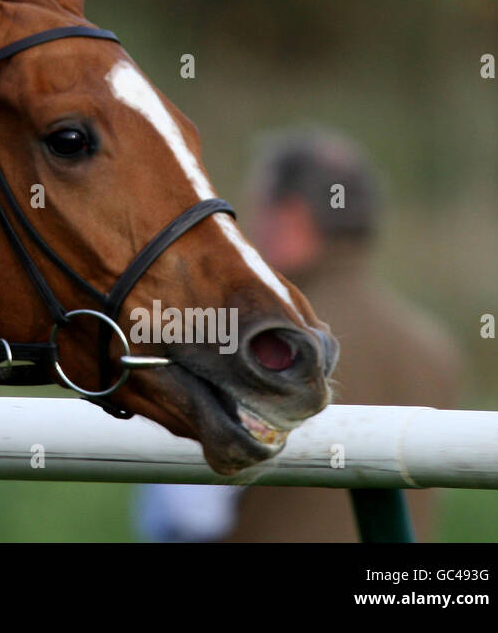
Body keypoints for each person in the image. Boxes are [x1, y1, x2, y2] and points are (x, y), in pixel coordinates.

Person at [133, 125, 462, 542]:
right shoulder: (434, 347)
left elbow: (186, 519)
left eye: (257, 211)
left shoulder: (239, 339)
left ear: (291, 219)